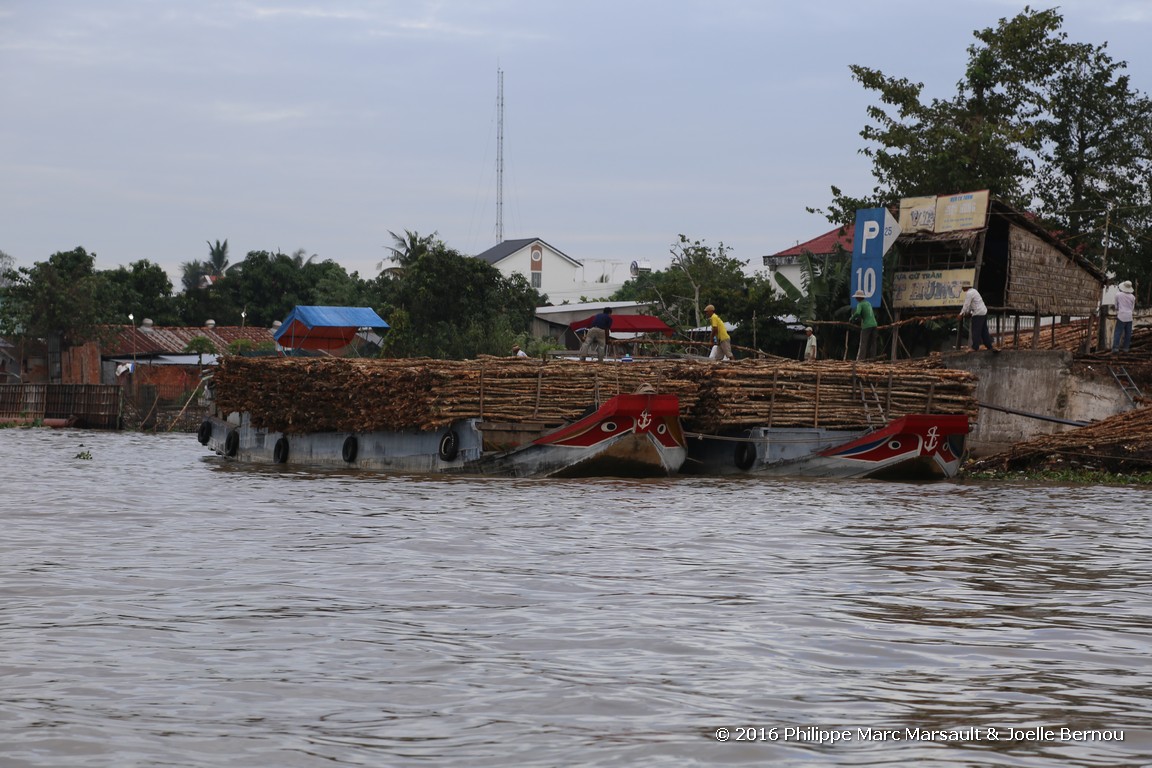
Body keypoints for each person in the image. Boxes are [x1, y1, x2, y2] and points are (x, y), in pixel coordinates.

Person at [958, 282, 998, 353]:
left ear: (966, 287)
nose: (962, 288)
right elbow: (971, 305)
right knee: (984, 331)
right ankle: (989, 346)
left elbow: (966, 304)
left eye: (963, 287)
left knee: (975, 331)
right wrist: (968, 312)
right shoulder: (974, 291)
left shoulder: (969, 293)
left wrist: (960, 314)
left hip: (978, 313)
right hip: (983, 312)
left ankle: (975, 347)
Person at [849, 289, 878, 360]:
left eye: (856, 297)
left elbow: (858, 313)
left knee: (863, 343)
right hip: (874, 324)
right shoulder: (868, 303)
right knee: (873, 343)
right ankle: (872, 358)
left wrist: (852, 318)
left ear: (859, 297)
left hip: (866, 325)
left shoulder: (860, 304)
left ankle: (860, 359)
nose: (855, 298)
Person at [1112, 280, 1136, 353]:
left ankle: (1115, 348)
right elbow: (1132, 308)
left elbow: (1116, 306)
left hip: (1121, 316)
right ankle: (1126, 348)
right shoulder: (1133, 297)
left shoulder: (1118, 295)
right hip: (1129, 316)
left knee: (1118, 333)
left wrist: (1119, 310)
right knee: (1128, 334)